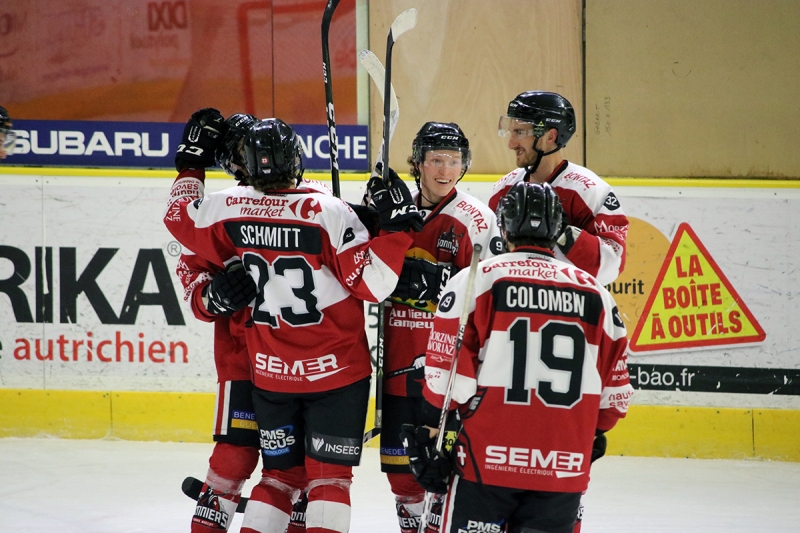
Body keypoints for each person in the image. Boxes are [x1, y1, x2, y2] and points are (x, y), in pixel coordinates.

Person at [164, 109, 423, 533]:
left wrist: (190, 168)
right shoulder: (320, 205)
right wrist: (211, 297)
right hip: (272, 363)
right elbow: (194, 282)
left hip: (270, 366)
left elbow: (178, 218)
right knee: (245, 459)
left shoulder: (219, 210)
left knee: (286, 476)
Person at [405, 182, 633, 533]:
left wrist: (433, 430)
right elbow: (615, 400)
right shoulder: (597, 295)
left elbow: (448, 380)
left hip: (484, 462)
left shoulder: (477, 280)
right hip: (562, 470)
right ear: (559, 229)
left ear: (504, 225)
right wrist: (592, 434)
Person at [176, 112, 319, 533]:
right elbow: (193, 282)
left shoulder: (315, 202)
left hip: (304, 364)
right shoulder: (219, 212)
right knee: (233, 457)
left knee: (305, 471)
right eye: (238, 154)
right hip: (245, 361)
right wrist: (212, 296)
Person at [375, 122, 503, 533]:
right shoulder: (396, 212)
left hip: (445, 374)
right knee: (402, 476)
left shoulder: (476, 220)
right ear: (418, 163)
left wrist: (438, 281)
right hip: (395, 365)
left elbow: (492, 295)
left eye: (454, 161)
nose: (445, 170)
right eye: (436, 160)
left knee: (442, 474)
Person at [489, 91, 629, 286]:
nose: (511, 144)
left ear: (550, 136)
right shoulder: (504, 189)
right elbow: (488, 257)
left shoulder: (590, 191)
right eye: (511, 132)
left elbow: (612, 266)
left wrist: (564, 233)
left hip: (567, 307)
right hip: (513, 304)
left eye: (520, 133)